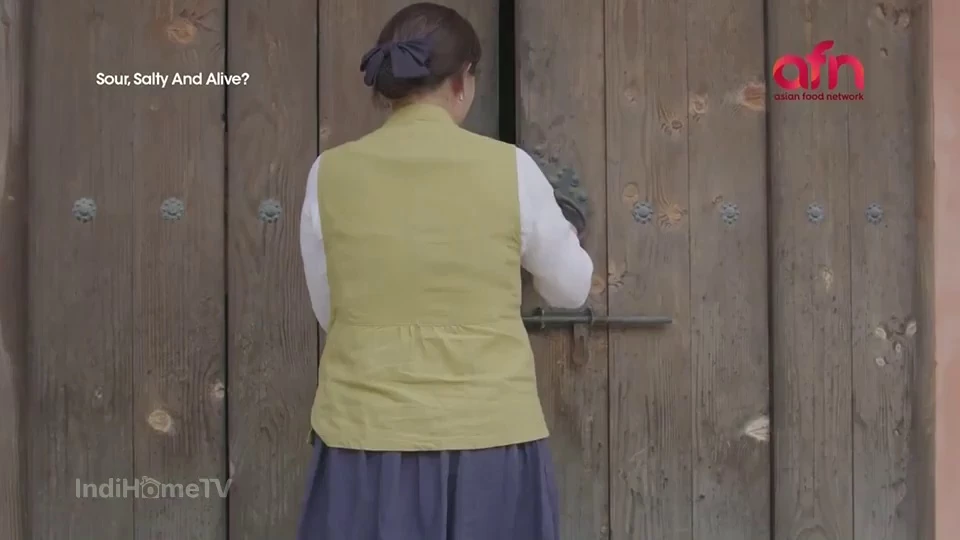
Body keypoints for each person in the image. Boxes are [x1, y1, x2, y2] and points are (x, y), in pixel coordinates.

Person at [296, 3, 593, 539]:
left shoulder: (328, 174)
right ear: (462, 79)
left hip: (365, 444)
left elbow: (330, 311)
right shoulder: (512, 170)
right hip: (490, 445)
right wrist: (563, 229)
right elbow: (571, 289)